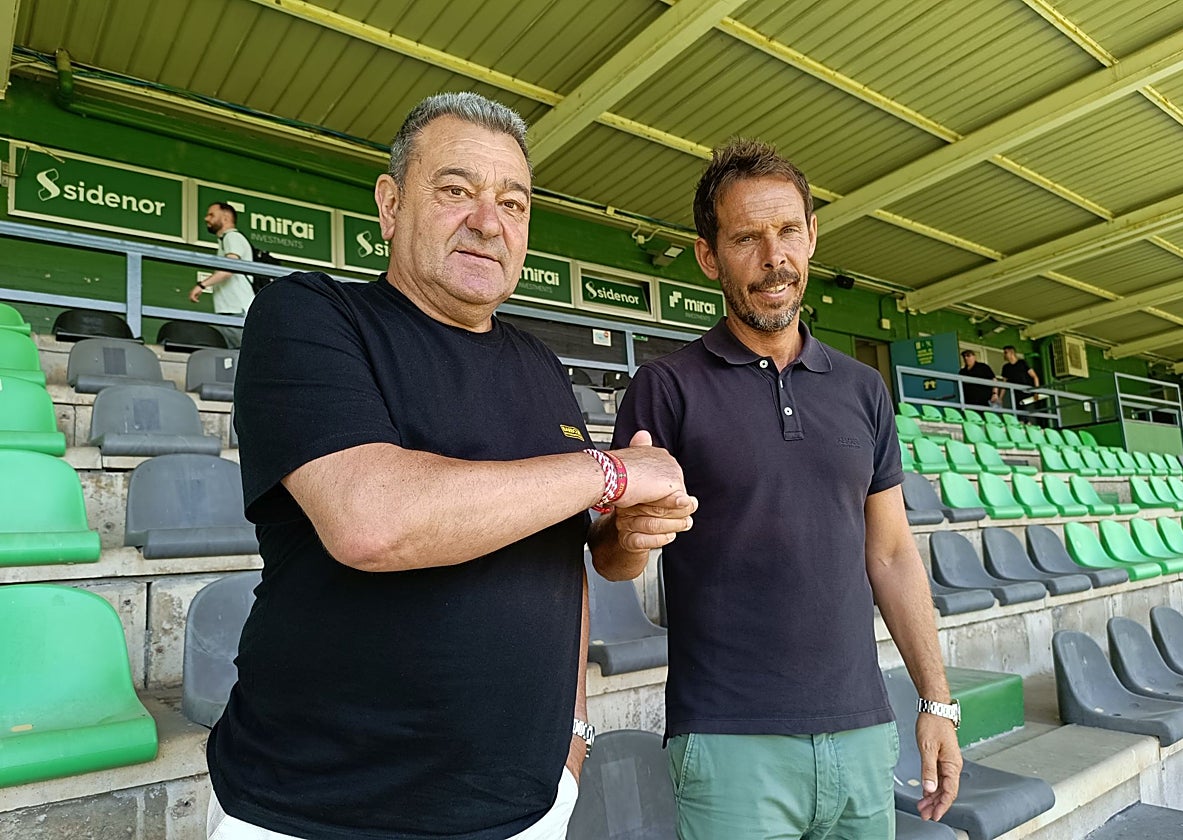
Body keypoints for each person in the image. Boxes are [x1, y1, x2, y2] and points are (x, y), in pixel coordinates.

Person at [205, 92, 696, 840]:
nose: (488, 222)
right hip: (314, 808)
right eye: (457, 190)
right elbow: (371, 522)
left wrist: (627, 541)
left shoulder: (540, 366)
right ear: (391, 204)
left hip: (526, 805)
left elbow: (576, 559)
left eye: (513, 203)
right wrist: (614, 473)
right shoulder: (310, 315)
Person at [598, 138, 961, 839]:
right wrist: (629, 535)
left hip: (863, 732)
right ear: (709, 256)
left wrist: (936, 700)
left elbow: (891, 555)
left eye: (788, 231)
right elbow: (614, 560)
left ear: (812, 235)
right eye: (746, 238)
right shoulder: (664, 388)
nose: (774, 257)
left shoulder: (864, 389)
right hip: (730, 743)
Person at [188, 201, 256, 348]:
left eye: (211, 215)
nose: (206, 218)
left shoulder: (232, 237)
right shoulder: (226, 240)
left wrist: (201, 285)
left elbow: (228, 270)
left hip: (236, 311)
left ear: (226, 217)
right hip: (230, 311)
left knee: (242, 354)